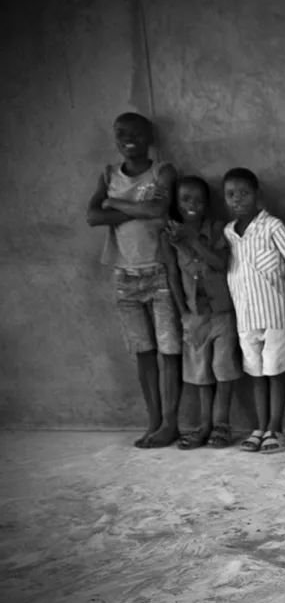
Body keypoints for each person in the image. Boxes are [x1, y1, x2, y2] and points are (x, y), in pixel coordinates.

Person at [85, 112, 181, 448]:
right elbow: (93, 216)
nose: (129, 139)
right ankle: (153, 421)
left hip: (159, 272)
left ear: (150, 137)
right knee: (144, 352)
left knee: (170, 351)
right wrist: (135, 207)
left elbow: (158, 211)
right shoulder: (108, 174)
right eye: (121, 133)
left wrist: (114, 203)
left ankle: (170, 423)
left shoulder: (162, 172)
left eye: (137, 133)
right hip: (124, 276)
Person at [222, 168, 285, 454]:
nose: (237, 199)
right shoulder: (229, 233)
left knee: (275, 371)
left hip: (276, 313)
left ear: (257, 195)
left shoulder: (272, 226)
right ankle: (260, 427)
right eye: (231, 194)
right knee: (256, 373)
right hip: (246, 316)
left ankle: (276, 428)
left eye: (244, 193)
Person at [163, 176, 239, 449]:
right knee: (201, 374)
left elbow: (220, 263)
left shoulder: (217, 229)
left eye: (198, 200)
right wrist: (183, 312)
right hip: (195, 316)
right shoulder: (169, 237)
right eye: (185, 199)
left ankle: (222, 425)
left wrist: (193, 238)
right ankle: (204, 426)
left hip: (223, 313)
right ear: (176, 203)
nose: (192, 205)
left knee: (223, 369)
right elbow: (173, 276)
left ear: (207, 204)